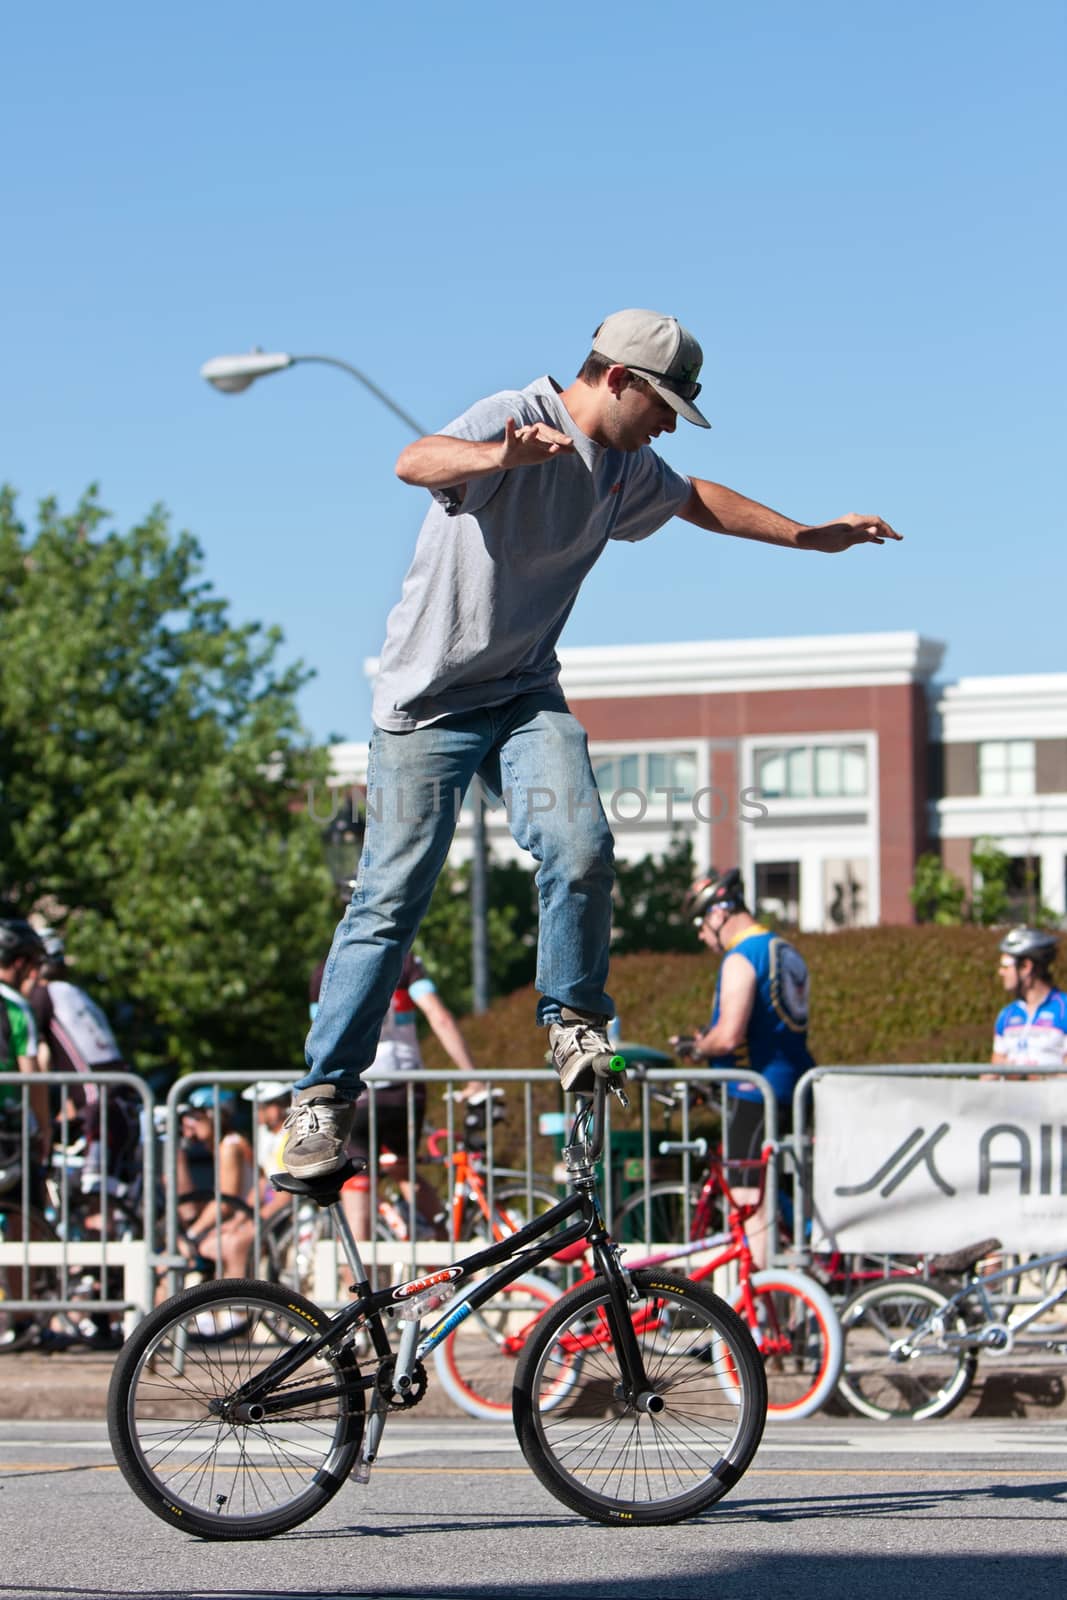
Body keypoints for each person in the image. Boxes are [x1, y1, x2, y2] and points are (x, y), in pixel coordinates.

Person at [285, 307, 901, 1180]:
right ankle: (319, 1100)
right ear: (614, 377)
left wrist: (807, 534)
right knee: (390, 902)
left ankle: (572, 1021)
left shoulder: (625, 468)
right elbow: (412, 460)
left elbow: (698, 501)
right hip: (426, 709)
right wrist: (502, 456)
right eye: (659, 407)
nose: (662, 428)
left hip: (524, 695)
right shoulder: (515, 412)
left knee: (581, 846)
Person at [309, 951, 482, 1242]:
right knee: (405, 1170)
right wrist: (473, 1075)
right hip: (404, 1087)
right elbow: (439, 1017)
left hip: (357, 1088)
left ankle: (360, 1283)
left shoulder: (328, 967)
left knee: (357, 1187)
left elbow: (321, 1035)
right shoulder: (403, 960)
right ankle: (449, 1254)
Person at [671, 869, 814, 1164]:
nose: (700, 935)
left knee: (749, 1200)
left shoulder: (743, 955)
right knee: (786, 1192)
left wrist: (697, 1048)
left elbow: (728, 1037)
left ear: (717, 915)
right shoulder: (782, 948)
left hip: (755, 1092)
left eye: (700, 923)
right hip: (797, 1086)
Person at [27, 928, 136, 1192]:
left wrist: (39, 1113)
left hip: (98, 1101)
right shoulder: (78, 994)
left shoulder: (43, 996)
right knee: (107, 1195)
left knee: (94, 1201)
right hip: (120, 1093)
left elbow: (40, 1058)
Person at [990, 927, 1066, 1078]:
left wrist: (1037, 1078)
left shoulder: (1064, 1009)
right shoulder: (1007, 1014)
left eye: (1005, 966)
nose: (1001, 972)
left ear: (1025, 967)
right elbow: (992, 1072)